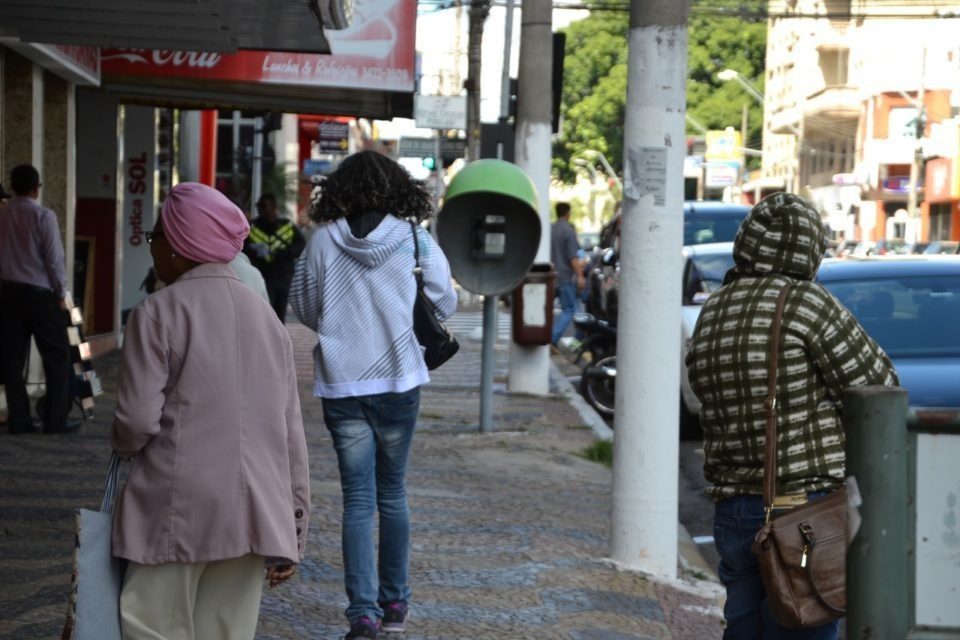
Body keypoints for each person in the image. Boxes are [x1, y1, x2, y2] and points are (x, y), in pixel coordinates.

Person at [684, 193, 899, 640]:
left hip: (733, 511)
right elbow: (879, 386)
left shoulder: (714, 309)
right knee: (808, 626)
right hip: (801, 514)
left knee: (742, 626)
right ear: (809, 247)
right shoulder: (805, 302)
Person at [111, 182, 310, 640]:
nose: (153, 247)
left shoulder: (157, 312)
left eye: (156, 236)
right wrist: (293, 525)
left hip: (173, 510)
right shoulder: (268, 320)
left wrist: (121, 442)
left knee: (152, 628)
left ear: (181, 245)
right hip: (254, 513)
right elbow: (290, 436)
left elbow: (136, 422)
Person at [290, 150, 457, 640]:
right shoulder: (413, 239)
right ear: (396, 189)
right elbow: (446, 299)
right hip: (399, 380)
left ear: (338, 190)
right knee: (393, 493)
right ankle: (396, 607)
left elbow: (303, 307)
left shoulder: (322, 242)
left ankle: (362, 613)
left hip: (343, 382)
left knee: (357, 500)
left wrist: (341, 328)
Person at [0, 164, 78, 434]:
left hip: (7, 293)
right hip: (40, 296)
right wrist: (62, 293)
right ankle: (54, 421)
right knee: (57, 357)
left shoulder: (3, 215)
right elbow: (54, 260)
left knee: (12, 360)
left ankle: (19, 420)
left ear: (13, 186)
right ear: (36, 188)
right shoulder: (44, 216)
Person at [244, 192, 306, 321]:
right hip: (262, 275)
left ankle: (279, 338)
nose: (260, 209)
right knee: (264, 310)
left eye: (263, 206)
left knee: (279, 312)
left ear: (273, 207)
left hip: (283, 276)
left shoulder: (287, 226)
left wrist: (284, 253)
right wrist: (255, 254)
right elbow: (244, 247)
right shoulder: (253, 226)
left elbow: (301, 246)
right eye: (258, 206)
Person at [550, 202, 585, 345]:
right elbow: (572, 257)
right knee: (570, 309)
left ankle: (579, 337)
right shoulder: (568, 231)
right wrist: (581, 276)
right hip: (564, 276)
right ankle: (553, 338)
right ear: (567, 214)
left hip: (551, 275)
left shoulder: (550, 229)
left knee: (548, 308)